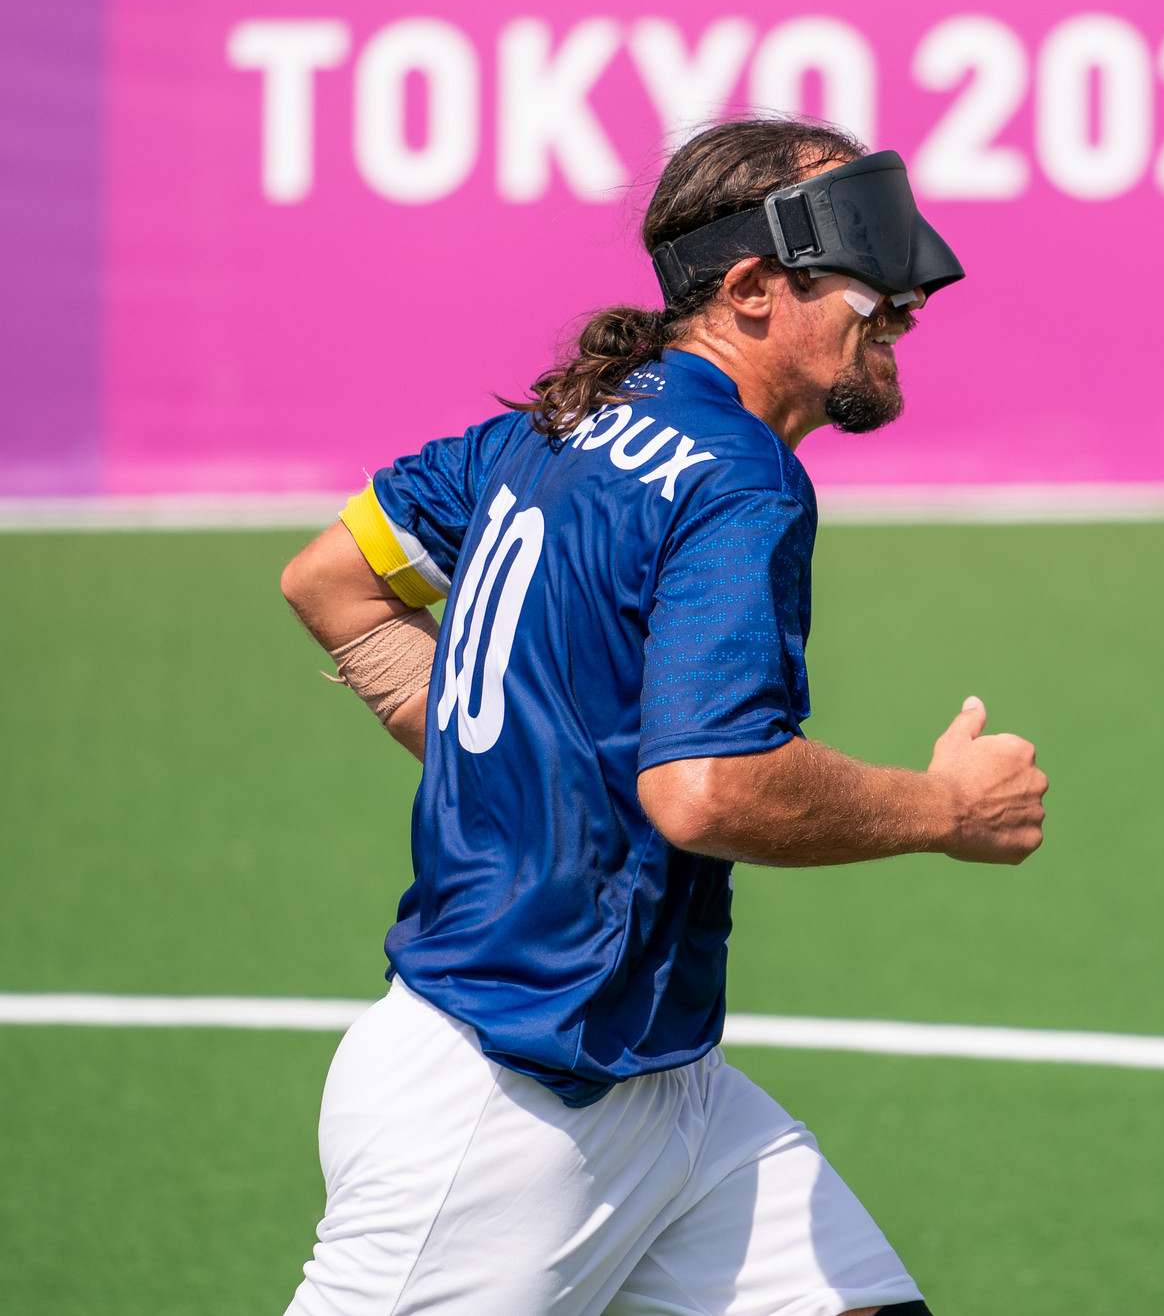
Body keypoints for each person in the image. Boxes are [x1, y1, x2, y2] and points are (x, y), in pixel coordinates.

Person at [280, 118, 1048, 1316]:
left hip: (662, 1083)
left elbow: (330, 576)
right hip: (511, 1108)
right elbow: (708, 789)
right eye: (868, 286)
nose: (902, 308)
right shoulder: (739, 474)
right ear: (749, 289)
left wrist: (511, 741)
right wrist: (948, 808)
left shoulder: (550, 424)